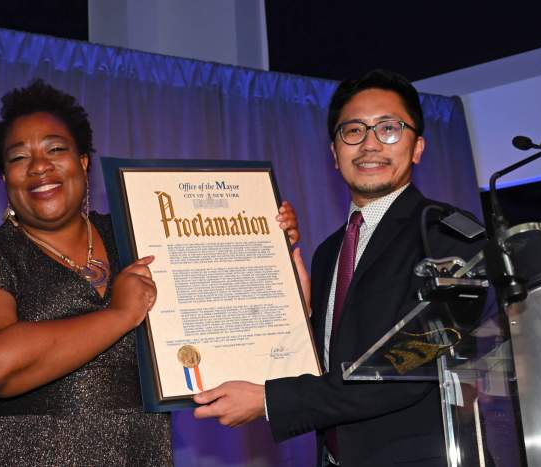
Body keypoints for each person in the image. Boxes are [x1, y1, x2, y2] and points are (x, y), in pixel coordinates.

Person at [0, 79, 300, 466]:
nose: (39, 166)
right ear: (4, 177)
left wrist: (266, 248)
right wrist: (120, 315)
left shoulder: (139, 233)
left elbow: (226, 319)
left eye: (56, 149)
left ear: (83, 161)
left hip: (139, 452)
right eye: (18, 157)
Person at [193, 70, 485, 466]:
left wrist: (268, 401)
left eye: (389, 129)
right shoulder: (330, 250)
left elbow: (408, 365)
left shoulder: (450, 237)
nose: (369, 144)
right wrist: (298, 310)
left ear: (417, 147)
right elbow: (334, 360)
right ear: (334, 153)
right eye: (353, 131)